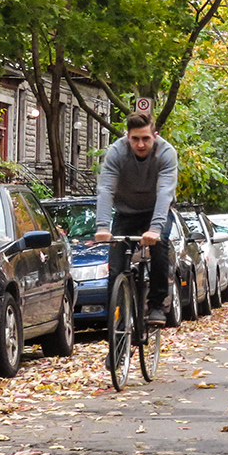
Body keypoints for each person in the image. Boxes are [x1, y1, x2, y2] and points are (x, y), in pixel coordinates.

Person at [94, 113, 178, 325]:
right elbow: (105, 189)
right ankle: (119, 323)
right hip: (125, 213)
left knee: (160, 248)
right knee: (115, 268)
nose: (140, 144)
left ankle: (157, 304)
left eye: (146, 139)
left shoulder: (166, 153)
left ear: (155, 136)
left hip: (156, 210)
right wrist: (103, 226)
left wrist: (156, 229)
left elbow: (165, 192)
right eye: (135, 139)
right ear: (127, 137)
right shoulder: (116, 152)